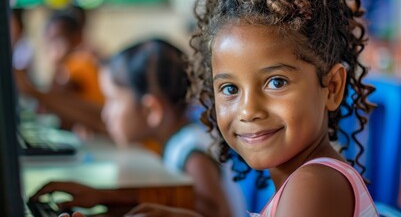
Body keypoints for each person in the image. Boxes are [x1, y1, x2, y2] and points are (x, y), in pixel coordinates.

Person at [127, 0, 380, 216]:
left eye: (276, 82)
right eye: (230, 89)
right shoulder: (308, 180)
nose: (248, 110)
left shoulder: (313, 184)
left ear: (332, 87)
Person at [31, 39, 246, 217]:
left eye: (113, 100)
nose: (106, 113)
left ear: (151, 110)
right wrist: (109, 198)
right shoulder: (176, 140)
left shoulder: (191, 148)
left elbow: (215, 211)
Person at [15, 9, 105, 134]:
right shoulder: (72, 64)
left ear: (77, 38)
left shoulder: (79, 64)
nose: (52, 49)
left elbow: (61, 103)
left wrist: (32, 91)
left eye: (58, 40)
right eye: (48, 42)